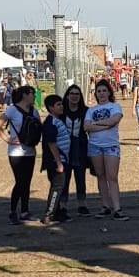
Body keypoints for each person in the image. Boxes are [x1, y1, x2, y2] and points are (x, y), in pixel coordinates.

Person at [0, 84, 41, 223]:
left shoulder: (34, 111)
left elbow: (39, 127)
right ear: (24, 95)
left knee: (27, 182)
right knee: (20, 181)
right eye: (31, 93)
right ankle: (13, 211)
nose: (34, 96)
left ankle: (25, 211)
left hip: (30, 151)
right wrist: (7, 139)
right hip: (16, 152)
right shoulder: (12, 110)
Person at [84, 79, 127, 219]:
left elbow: (114, 121)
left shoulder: (115, 106)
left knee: (112, 177)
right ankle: (105, 205)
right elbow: (86, 127)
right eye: (99, 91)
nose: (101, 93)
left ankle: (117, 208)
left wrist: (96, 124)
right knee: (100, 176)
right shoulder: (91, 110)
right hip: (95, 146)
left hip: (111, 146)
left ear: (109, 92)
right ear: (95, 93)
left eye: (104, 90)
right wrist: (104, 125)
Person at [40, 94, 71, 223]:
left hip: (62, 159)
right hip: (56, 161)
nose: (61, 107)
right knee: (57, 187)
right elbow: (51, 143)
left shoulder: (57, 120)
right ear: (50, 108)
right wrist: (58, 162)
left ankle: (57, 212)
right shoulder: (50, 122)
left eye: (61, 104)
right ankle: (49, 214)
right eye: (58, 105)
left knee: (59, 186)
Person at [60, 84, 90, 215]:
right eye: (72, 94)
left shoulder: (86, 111)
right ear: (67, 96)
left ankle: (82, 204)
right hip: (65, 148)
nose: (74, 96)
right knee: (64, 178)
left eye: (77, 94)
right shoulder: (61, 112)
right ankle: (62, 205)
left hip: (80, 148)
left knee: (80, 176)